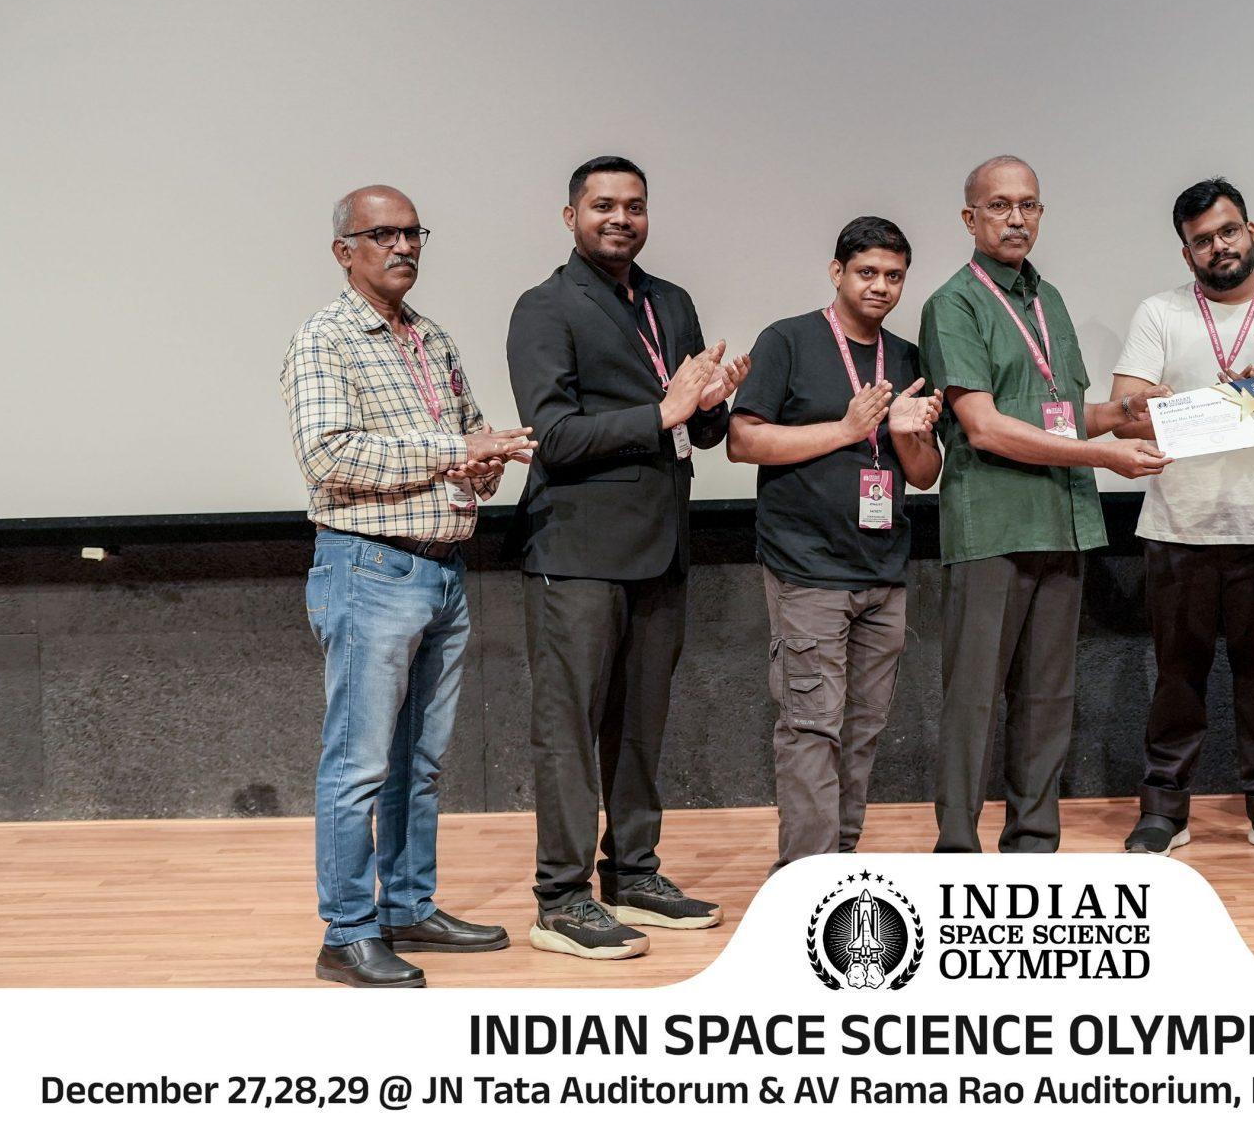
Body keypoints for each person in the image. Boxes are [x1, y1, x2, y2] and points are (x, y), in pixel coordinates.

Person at [282, 184, 534, 988]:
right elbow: (328, 456)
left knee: (418, 762)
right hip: (369, 567)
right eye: (383, 233)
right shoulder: (325, 339)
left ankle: (407, 905)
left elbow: (468, 434)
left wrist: (487, 460)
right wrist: (455, 452)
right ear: (344, 251)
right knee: (358, 764)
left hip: (442, 568)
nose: (403, 246)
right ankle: (346, 932)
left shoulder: (433, 338)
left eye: (413, 232)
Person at [506, 155, 750, 959]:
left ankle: (633, 872)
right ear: (570, 215)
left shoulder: (670, 301)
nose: (621, 218)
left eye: (634, 206)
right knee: (569, 731)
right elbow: (555, 435)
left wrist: (709, 404)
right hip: (577, 549)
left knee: (642, 726)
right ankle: (561, 897)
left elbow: (698, 430)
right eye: (603, 205)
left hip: (661, 545)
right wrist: (664, 409)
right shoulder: (544, 307)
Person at [917, 154, 1172, 853]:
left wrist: (1124, 415)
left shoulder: (1048, 299)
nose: (1016, 218)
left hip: (1061, 522)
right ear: (970, 218)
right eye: (999, 205)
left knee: (1048, 699)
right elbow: (985, 427)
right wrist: (1106, 457)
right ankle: (957, 849)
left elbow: (1060, 416)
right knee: (973, 699)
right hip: (993, 527)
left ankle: (1033, 844)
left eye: (1028, 204)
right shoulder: (953, 303)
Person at [1109, 177, 1254, 860]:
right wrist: (1188, 406)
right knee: (1176, 679)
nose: (1219, 246)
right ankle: (1163, 809)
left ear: (1252, 231)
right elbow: (1124, 412)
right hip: (1177, 526)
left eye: (1228, 231)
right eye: (1202, 240)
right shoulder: (1160, 313)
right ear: (1187, 254)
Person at [728, 217, 944, 870]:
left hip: (883, 567)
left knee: (864, 726)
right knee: (811, 724)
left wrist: (905, 435)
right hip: (807, 567)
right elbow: (743, 440)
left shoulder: (907, 358)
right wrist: (847, 429)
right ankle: (804, 874)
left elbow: (925, 473)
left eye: (894, 276)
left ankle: (839, 860)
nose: (881, 286)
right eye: (867, 272)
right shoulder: (788, 340)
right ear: (837, 272)